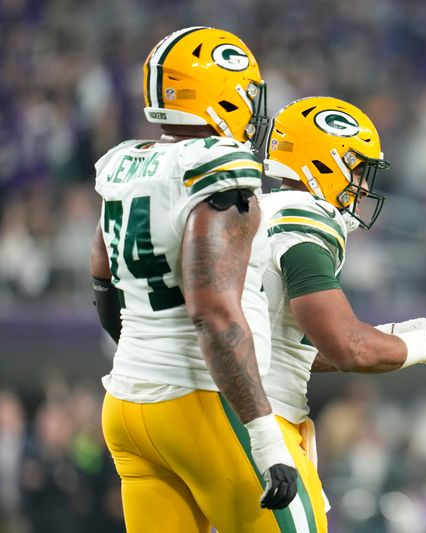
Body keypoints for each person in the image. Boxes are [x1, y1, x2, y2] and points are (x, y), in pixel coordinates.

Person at [90, 26, 298, 532]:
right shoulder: (217, 168)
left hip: (127, 404)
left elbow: (102, 282)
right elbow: (213, 312)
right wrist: (267, 437)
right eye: (246, 94)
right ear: (217, 95)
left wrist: (149, 353)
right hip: (202, 400)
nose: (253, 107)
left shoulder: (126, 163)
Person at [258, 96, 426, 531]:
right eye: (355, 169)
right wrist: (423, 344)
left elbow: (279, 348)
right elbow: (348, 348)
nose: (363, 188)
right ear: (323, 162)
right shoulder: (304, 218)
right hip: (262, 419)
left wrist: (388, 334)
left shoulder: (254, 210)